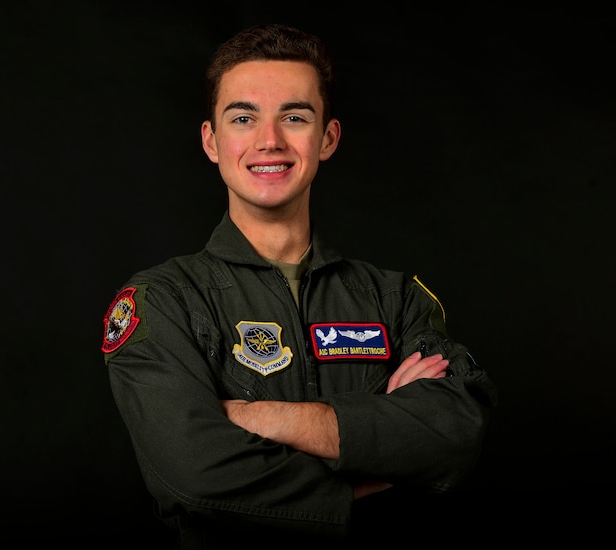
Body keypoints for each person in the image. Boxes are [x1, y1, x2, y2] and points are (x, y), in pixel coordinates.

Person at [101, 23, 498, 548]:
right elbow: (196, 475)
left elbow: (453, 432)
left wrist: (259, 416)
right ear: (211, 141)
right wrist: (376, 469)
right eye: (243, 118)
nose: (270, 140)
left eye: (294, 116)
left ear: (327, 138)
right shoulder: (165, 300)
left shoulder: (394, 299)